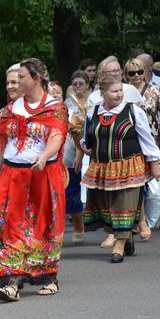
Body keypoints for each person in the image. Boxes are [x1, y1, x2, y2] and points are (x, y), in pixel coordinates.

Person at [0, 58, 68, 302]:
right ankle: (10, 282)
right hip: (13, 175)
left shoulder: (55, 107)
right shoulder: (6, 113)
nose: (16, 82)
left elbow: (56, 136)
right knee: (7, 224)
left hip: (43, 175)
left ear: (36, 79)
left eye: (21, 77)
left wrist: (44, 156)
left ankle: (49, 278)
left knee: (43, 224)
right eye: (15, 78)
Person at [81, 75, 160, 263]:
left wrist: (154, 162)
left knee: (124, 203)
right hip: (103, 167)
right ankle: (128, 236)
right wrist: (85, 145)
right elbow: (88, 137)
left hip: (129, 165)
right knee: (108, 206)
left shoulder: (133, 111)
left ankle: (119, 245)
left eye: (120, 90)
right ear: (103, 93)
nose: (119, 94)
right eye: (114, 91)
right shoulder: (93, 112)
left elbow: (146, 139)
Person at [123, 58, 160, 236]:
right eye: (131, 73)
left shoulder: (154, 90)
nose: (136, 76)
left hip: (152, 141)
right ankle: (135, 221)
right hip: (128, 142)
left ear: (145, 72)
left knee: (154, 183)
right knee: (133, 183)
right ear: (125, 74)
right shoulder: (122, 92)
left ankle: (151, 219)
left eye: (139, 72)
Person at [63, 71, 93, 244]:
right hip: (71, 149)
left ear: (88, 84)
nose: (77, 87)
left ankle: (81, 224)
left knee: (79, 192)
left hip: (90, 146)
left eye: (81, 83)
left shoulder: (94, 100)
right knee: (68, 192)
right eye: (74, 84)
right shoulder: (68, 104)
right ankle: (73, 225)